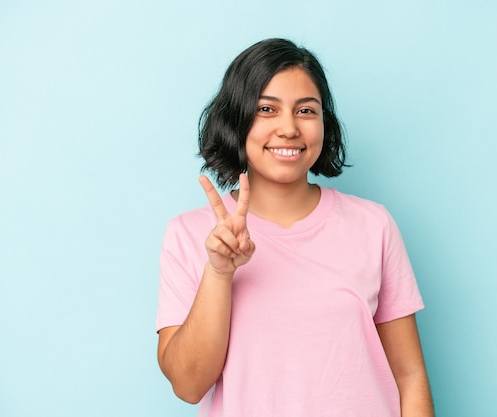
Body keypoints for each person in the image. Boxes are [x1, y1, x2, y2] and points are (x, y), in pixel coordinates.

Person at [156, 38, 434, 417]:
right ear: (237, 119)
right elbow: (188, 386)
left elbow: (410, 376)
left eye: (306, 110)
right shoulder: (189, 235)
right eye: (266, 109)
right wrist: (219, 273)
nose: (288, 128)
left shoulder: (373, 225)